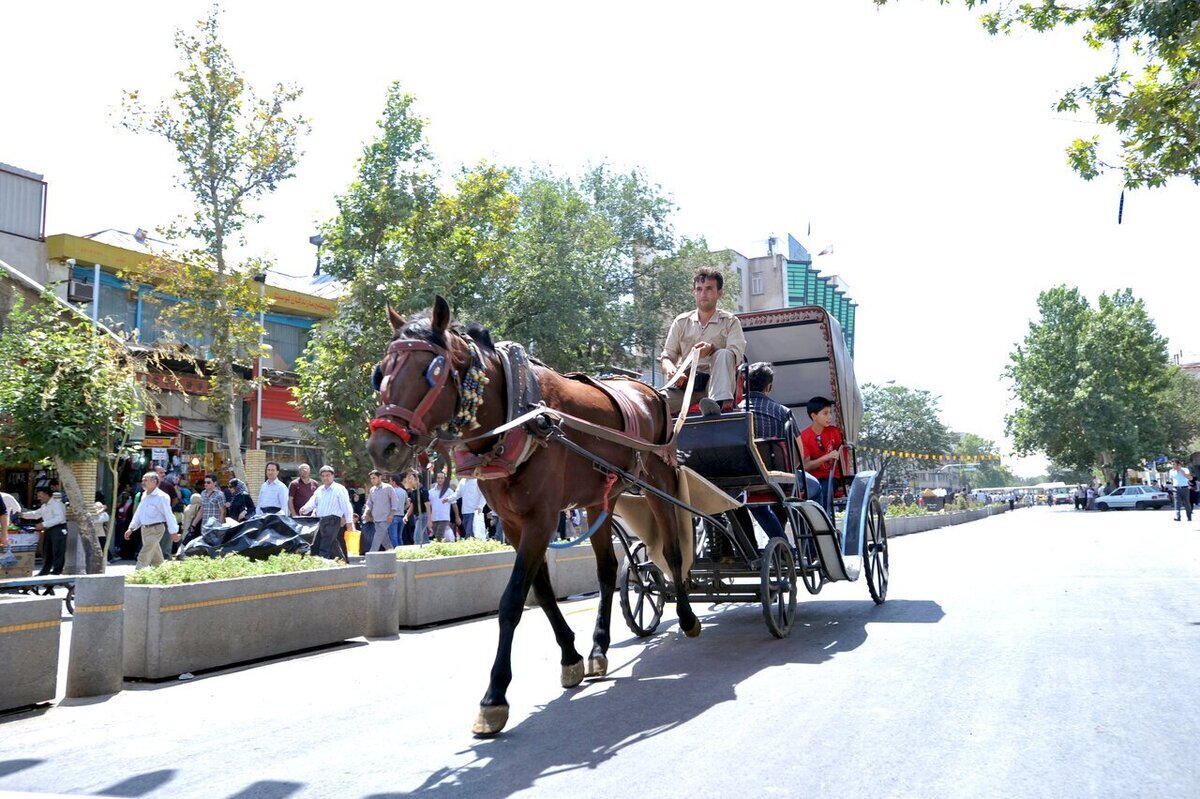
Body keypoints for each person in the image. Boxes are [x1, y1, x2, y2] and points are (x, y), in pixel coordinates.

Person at [659, 266, 747, 417]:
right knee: (654, 403)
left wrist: (712, 350)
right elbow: (667, 356)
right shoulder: (681, 322)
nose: (703, 294)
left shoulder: (730, 322)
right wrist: (672, 371)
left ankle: (719, 405)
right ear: (694, 292)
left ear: (720, 293)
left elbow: (736, 355)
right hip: (686, 386)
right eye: (699, 289)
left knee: (725, 354)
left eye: (709, 289)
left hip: (716, 384)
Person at [736, 362, 792, 544]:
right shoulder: (783, 412)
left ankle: (781, 545)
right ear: (769, 386)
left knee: (757, 505)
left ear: (745, 384)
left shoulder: (734, 413)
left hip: (743, 480)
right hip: (776, 480)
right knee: (814, 487)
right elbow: (796, 454)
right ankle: (810, 545)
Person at [124, 471, 180, 570]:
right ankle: (162, 574)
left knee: (144, 553)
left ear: (154, 482)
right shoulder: (144, 495)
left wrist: (173, 532)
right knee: (156, 557)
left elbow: (168, 514)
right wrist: (131, 528)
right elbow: (139, 513)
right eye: (142, 480)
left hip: (156, 529)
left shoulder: (162, 496)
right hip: (145, 529)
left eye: (146, 480)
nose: (143, 482)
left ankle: (138, 574)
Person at [299, 465, 356, 560]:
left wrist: (349, 522)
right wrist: (305, 508)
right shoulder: (319, 490)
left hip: (333, 520)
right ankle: (342, 561)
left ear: (333, 476)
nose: (325, 478)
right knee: (331, 543)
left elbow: (346, 506)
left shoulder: (339, 489)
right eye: (323, 476)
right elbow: (313, 502)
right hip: (321, 520)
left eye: (328, 475)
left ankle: (323, 564)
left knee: (325, 544)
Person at [799, 396, 843, 513]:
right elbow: (806, 465)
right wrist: (826, 457)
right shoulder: (804, 437)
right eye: (825, 413)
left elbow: (842, 453)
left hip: (832, 476)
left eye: (830, 413)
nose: (830, 417)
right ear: (814, 416)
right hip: (813, 477)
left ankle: (824, 522)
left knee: (824, 489)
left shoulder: (835, 432)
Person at [22, 487, 68, 576]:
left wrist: (43, 524)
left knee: (57, 550)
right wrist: (23, 515)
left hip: (58, 529)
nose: (39, 498)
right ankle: (45, 571)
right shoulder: (44, 506)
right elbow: (36, 514)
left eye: (40, 496)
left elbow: (60, 518)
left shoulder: (56, 504)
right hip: (49, 529)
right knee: (47, 551)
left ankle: (57, 571)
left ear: (46, 495)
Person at [362, 470, 400, 552]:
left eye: (374, 478)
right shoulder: (372, 490)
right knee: (385, 541)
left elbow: (395, 502)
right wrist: (366, 513)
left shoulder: (388, 488)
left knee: (377, 538)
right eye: (371, 478)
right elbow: (369, 504)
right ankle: (393, 553)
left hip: (385, 518)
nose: (372, 480)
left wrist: (391, 515)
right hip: (376, 519)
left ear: (380, 477)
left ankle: (371, 556)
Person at [428, 472, 457, 541]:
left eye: (442, 478)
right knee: (437, 536)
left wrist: (457, 517)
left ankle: (439, 549)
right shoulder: (431, 492)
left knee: (439, 536)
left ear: (444, 479)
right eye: (438, 478)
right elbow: (429, 506)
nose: (440, 480)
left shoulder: (449, 491)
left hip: (444, 518)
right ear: (436, 479)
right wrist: (429, 519)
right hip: (434, 518)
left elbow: (454, 504)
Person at [402, 472, 429, 545]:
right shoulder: (413, 491)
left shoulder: (423, 490)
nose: (410, 481)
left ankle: (416, 555)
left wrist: (429, 520)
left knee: (417, 537)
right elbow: (412, 505)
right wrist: (406, 516)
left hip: (422, 516)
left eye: (412, 479)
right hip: (416, 516)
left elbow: (427, 506)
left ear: (417, 480)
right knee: (424, 538)